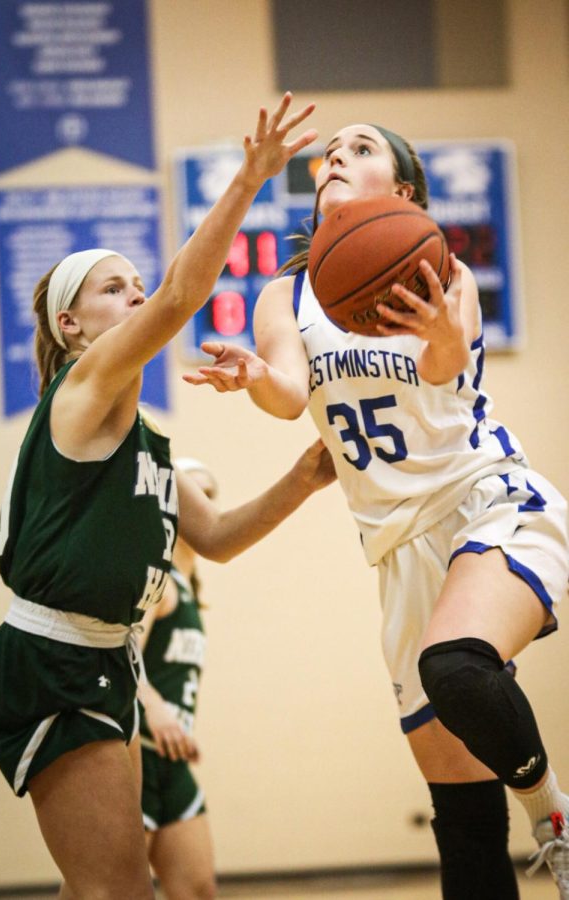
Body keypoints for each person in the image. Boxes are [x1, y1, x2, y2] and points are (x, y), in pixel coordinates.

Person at [184, 122, 569, 899]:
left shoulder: (437, 268)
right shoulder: (283, 292)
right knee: (462, 824)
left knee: (456, 665)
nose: (335, 158)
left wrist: (435, 331)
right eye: (331, 152)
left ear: (404, 195)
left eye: (362, 149)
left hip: (486, 503)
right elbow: (289, 396)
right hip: (397, 551)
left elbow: (444, 360)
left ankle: (554, 819)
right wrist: (255, 373)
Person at [0, 93, 337, 900]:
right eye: (115, 289)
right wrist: (250, 180)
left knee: (104, 884)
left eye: (137, 282)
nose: (138, 295)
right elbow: (182, 295)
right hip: (53, 657)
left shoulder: (148, 445)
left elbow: (216, 539)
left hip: (103, 658)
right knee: (118, 890)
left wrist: (305, 479)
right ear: (71, 326)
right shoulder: (78, 390)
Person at [137, 457, 218, 900]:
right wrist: (154, 708)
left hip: (172, 761)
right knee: (106, 891)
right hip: (137, 757)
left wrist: (179, 728)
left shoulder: (188, 588)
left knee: (199, 889)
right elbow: (121, 654)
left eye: (210, 497)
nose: (204, 506)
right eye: (193, 496)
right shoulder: (160, 582)